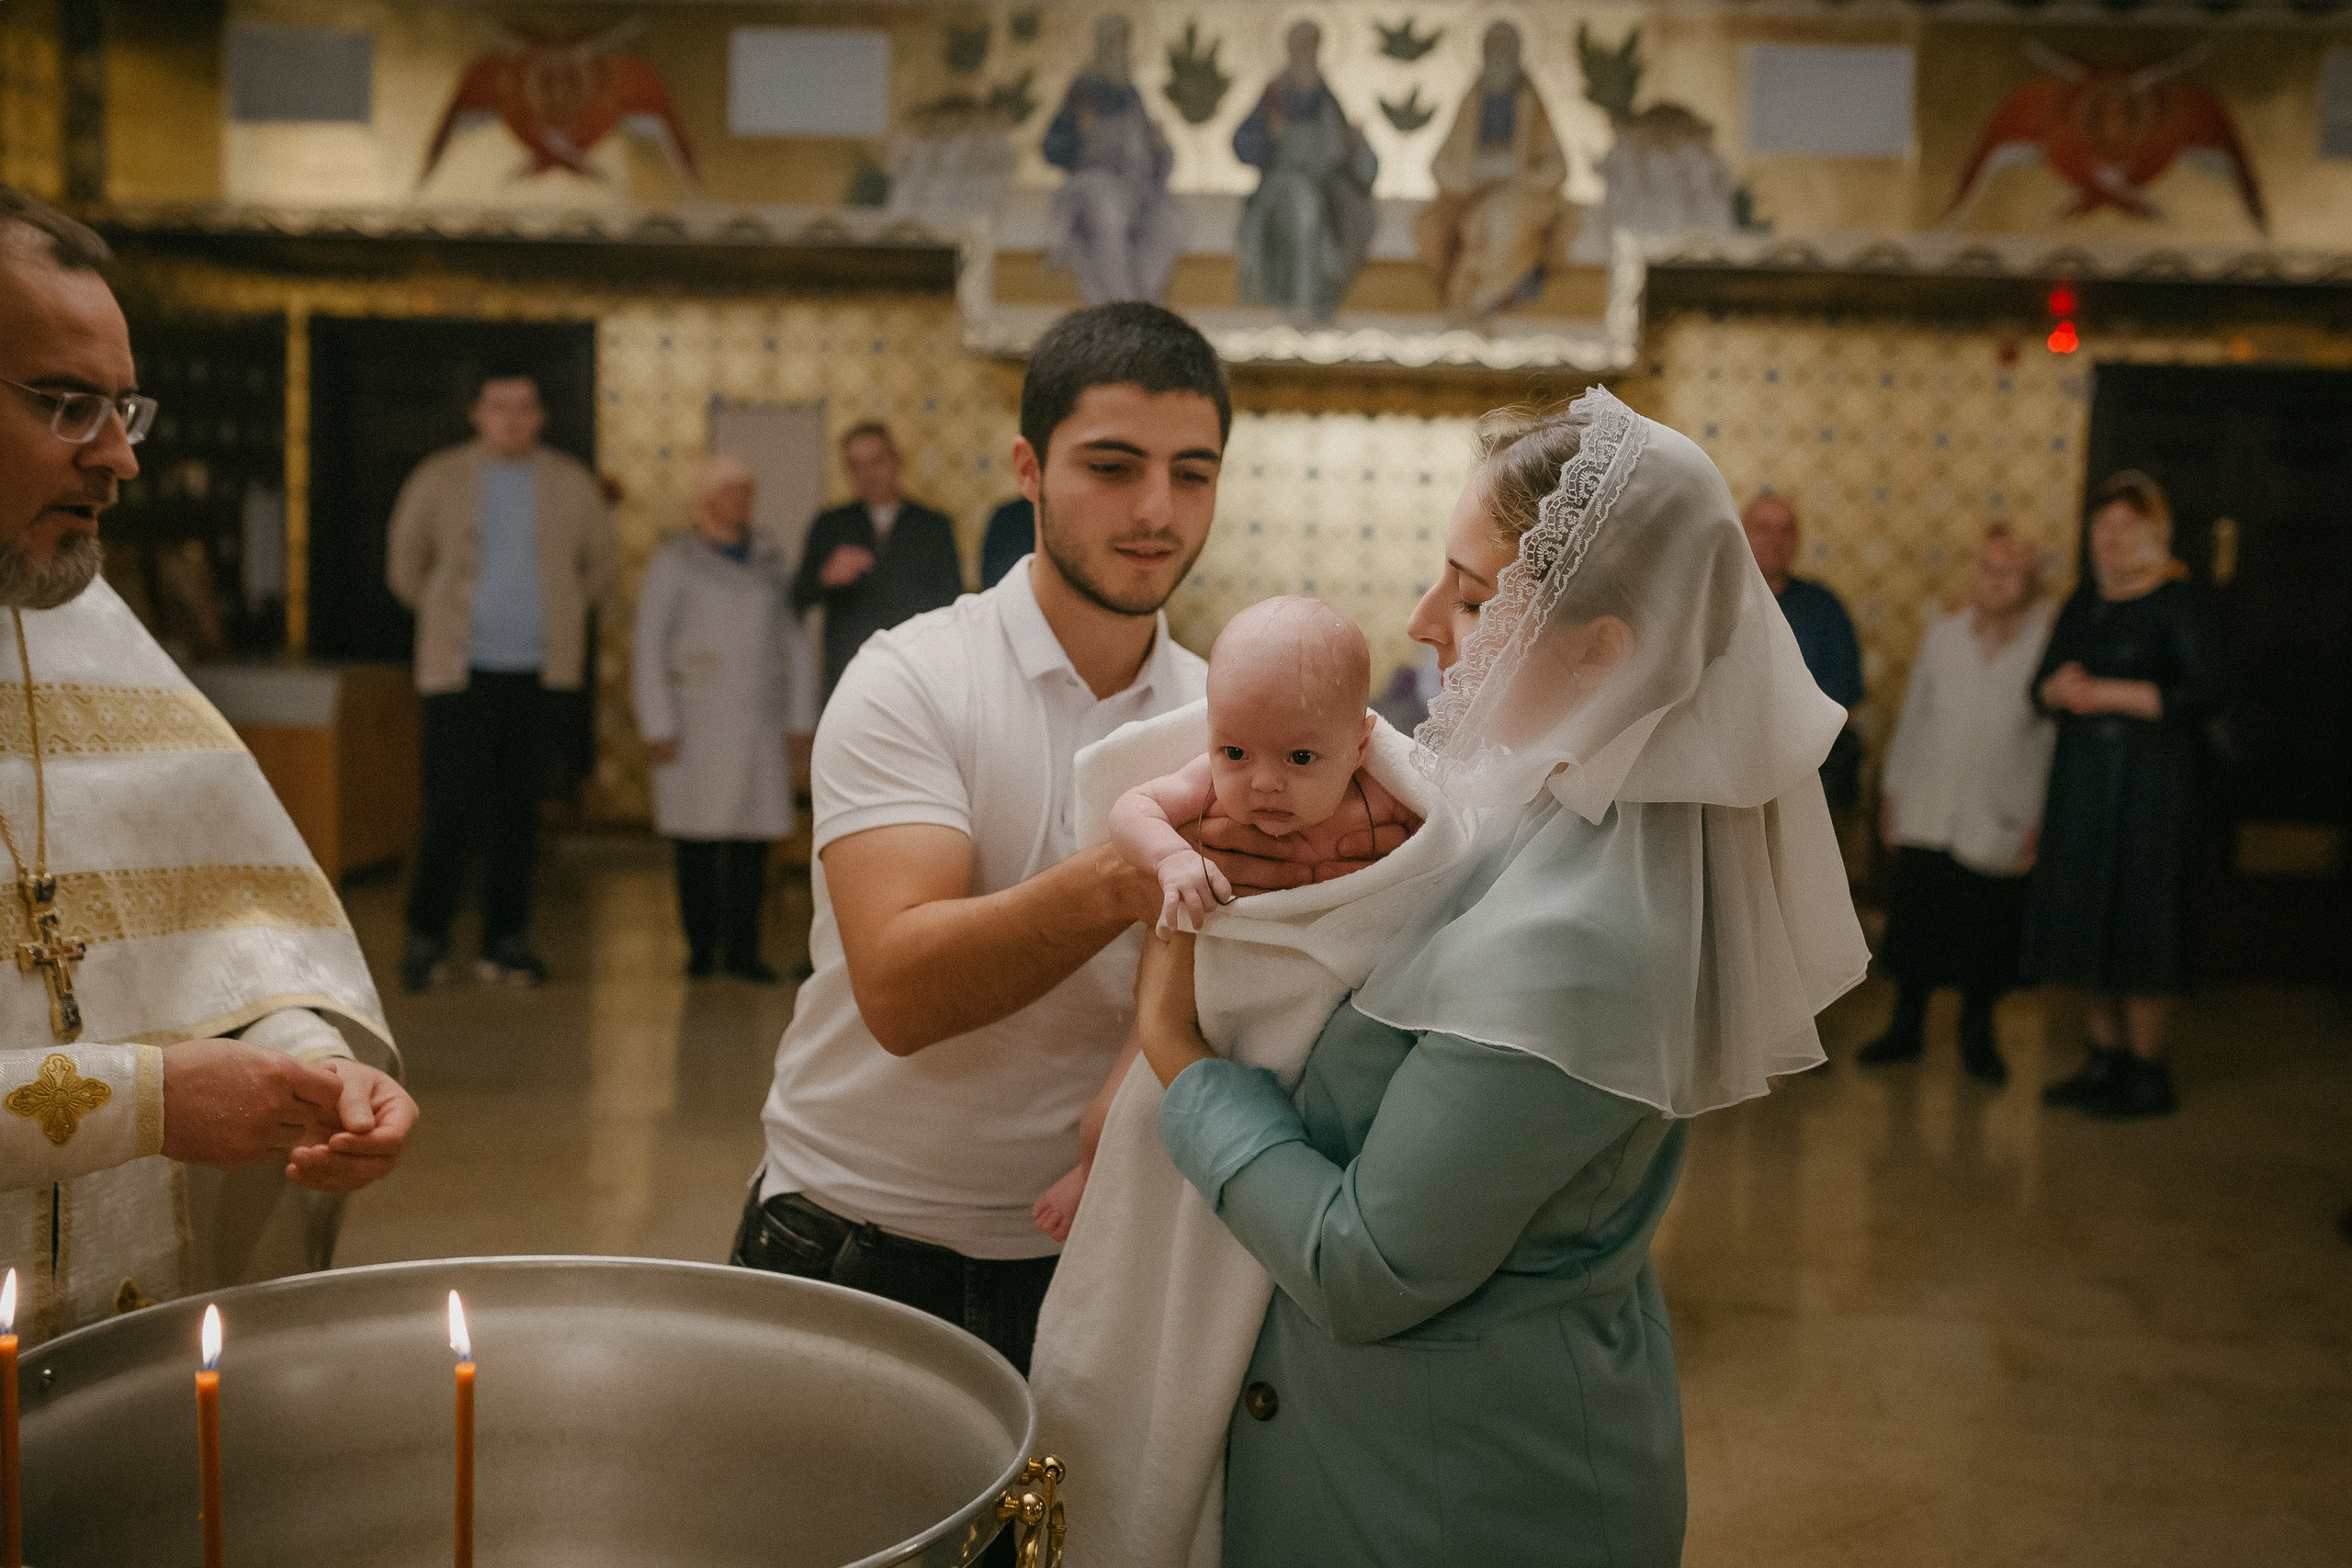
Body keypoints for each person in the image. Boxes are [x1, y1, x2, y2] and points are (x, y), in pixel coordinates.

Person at [1125, 388, 1866, 1567]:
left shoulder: (1587, 937)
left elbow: (1364, 1269)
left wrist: (1174, 1047)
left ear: (1604, 651)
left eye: (1471, 597)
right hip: (1399, 1459)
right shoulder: (1537, 806)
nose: (1422, 622)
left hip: (1463, 1492)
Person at [729, 305, 1415, 1378]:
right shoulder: (913, 677)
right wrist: (1126, 876)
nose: (1157, 509)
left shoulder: (1228, 721)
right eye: (1112, 465)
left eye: (1194, 473)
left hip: (1096, 1246)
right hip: (859, 1233)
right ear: (1028, 469)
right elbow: (900, 994)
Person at [0, 185, 415, 1344]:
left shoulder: (91, 634)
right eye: (68, 405)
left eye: (124, 405)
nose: (120, 457)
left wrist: (301, 1061)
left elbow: (226, 932)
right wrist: (148, 1103)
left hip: (97, 1331)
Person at [1031, 596, 1387, 1242]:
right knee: (1115, 1110)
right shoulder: (1206, 778)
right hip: (1202, 978)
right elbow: (1133, 807)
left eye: (1300, 759)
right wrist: (1170, 859)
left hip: (1308, 993)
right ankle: (1090, 1171)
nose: (1263, 783)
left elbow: (1442, 854)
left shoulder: (1384, 800)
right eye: (1235, 751)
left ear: (1360, 745)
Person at [387, 367, 615, 991]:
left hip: (540, 676)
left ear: (539, 416)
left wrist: (555, 615)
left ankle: (506, 942)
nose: (512, 418)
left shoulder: (570, 482)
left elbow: (598, 572)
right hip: (460, 675)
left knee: (521, 815)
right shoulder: (439, 476)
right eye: (498, 406)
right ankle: (426, 938)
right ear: (477, 414)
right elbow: (406, 567)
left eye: (524, 407)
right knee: (450, 809)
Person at [2027, 471, 2225, 1120]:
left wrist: (2111, 694)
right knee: (2093, 919)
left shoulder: (2178, 601)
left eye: (2124, 526)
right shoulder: (2084, 602)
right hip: (2085, 784)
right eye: (2101, 525)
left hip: (2152, 790)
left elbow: (2205, 695)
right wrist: (2058, 690)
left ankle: (2147, 1069)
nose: (2109, 538)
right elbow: (2039, 686)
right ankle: (2101, 1058)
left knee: (2143, 923)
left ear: (2152, 533)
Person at [1860, 525, 2057, 1085]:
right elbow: (1913, 714)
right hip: (1929, 798)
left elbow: (2048, 740)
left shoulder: (2045, 644)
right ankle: (1906, 1027)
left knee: (1987, 928)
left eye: (2007, 572)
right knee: (1917, 919)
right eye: (1986, 569)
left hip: (2001, 803)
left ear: (2030, 581)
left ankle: (1978, 1032)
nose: (1992, 582)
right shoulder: (1945, 634)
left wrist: (2038, 820)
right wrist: (1893, 791)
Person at [632, 455, 812, 982]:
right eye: (731, 491)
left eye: (747, 491)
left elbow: (794, 642)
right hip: (694, 723)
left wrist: (801, 716)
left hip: (760, 721)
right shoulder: (673, 561)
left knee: (752, 842)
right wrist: (657, 723)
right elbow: (648, 645)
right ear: (707, 499)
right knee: (695, 839)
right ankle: (700, 949)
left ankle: (742, 951)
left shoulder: (770, 559)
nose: (742, 501)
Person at [790, 422, 962, 707]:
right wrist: (826, 576)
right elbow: (797, 597)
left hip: (917, 675)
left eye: (876, 461)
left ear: (896, 461)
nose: (868, 474)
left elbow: (952, 605)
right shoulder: (830, 525)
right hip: (850, 675)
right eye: (856, 466)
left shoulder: (933, 526)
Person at [1414, 21, 1570, 321]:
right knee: (1431, 224)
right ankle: (1464, 301)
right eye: (1493, 49)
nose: (1499, 55)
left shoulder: (1532, 104)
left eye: (1506, 49)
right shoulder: (1472, 101)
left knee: (1499, 216)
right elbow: (1440, 164)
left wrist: (1518, 171)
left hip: (1522, 197)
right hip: (1467, 194)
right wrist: (1472, 173)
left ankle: (1483, 302)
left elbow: (1558, 167)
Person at [1231, 21, 1379, 325]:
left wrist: (1353, 144)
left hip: (1326, 185)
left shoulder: (1325, 97)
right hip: (1279, 187)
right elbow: (1241, 144)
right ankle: (1301, 302)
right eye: (1302, 50)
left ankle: (1325, 300)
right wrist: (1268, 136)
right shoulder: (1274, 96)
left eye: (1312, 51)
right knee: (1303, 201)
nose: (1307, 58)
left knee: (1359, 212)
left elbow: (1354, 161)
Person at [1041, 15, 1182, 306]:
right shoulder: (1081, 93)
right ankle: (1121, 303)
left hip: (1135, 188)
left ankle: (1141, 302)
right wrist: (1079, 133)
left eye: (1125, 45)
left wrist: (1158, 147)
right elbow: (1051, 149)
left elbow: (1152, 163)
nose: (1121, 52)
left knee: (1168, 219)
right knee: (1108, 212)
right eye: (1115, 44)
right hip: (1091, 186)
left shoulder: (1132, 95)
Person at [1744, 491, 1865, 810]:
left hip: (1810, 768)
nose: (1775, 539)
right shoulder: (1719, 601)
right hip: (1737, 763)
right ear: (1741, 531)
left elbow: (1845, 689)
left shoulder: (1824, 606)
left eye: (1786, 530)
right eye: (1764, 528)